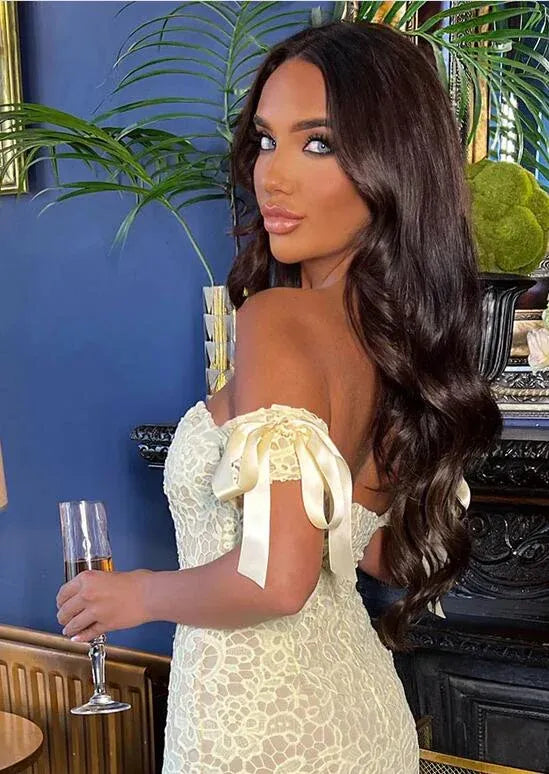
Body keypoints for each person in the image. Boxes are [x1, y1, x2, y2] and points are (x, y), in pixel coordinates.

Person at [56, 19, 502, 773]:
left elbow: (277, 580)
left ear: (393, 165)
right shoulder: (391, 344)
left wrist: (138, 595)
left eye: (317, 143)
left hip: (257, 728)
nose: (272, 175)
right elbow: (380, 557)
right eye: (265, 140)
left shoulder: (277, 320)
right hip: (358, 714)